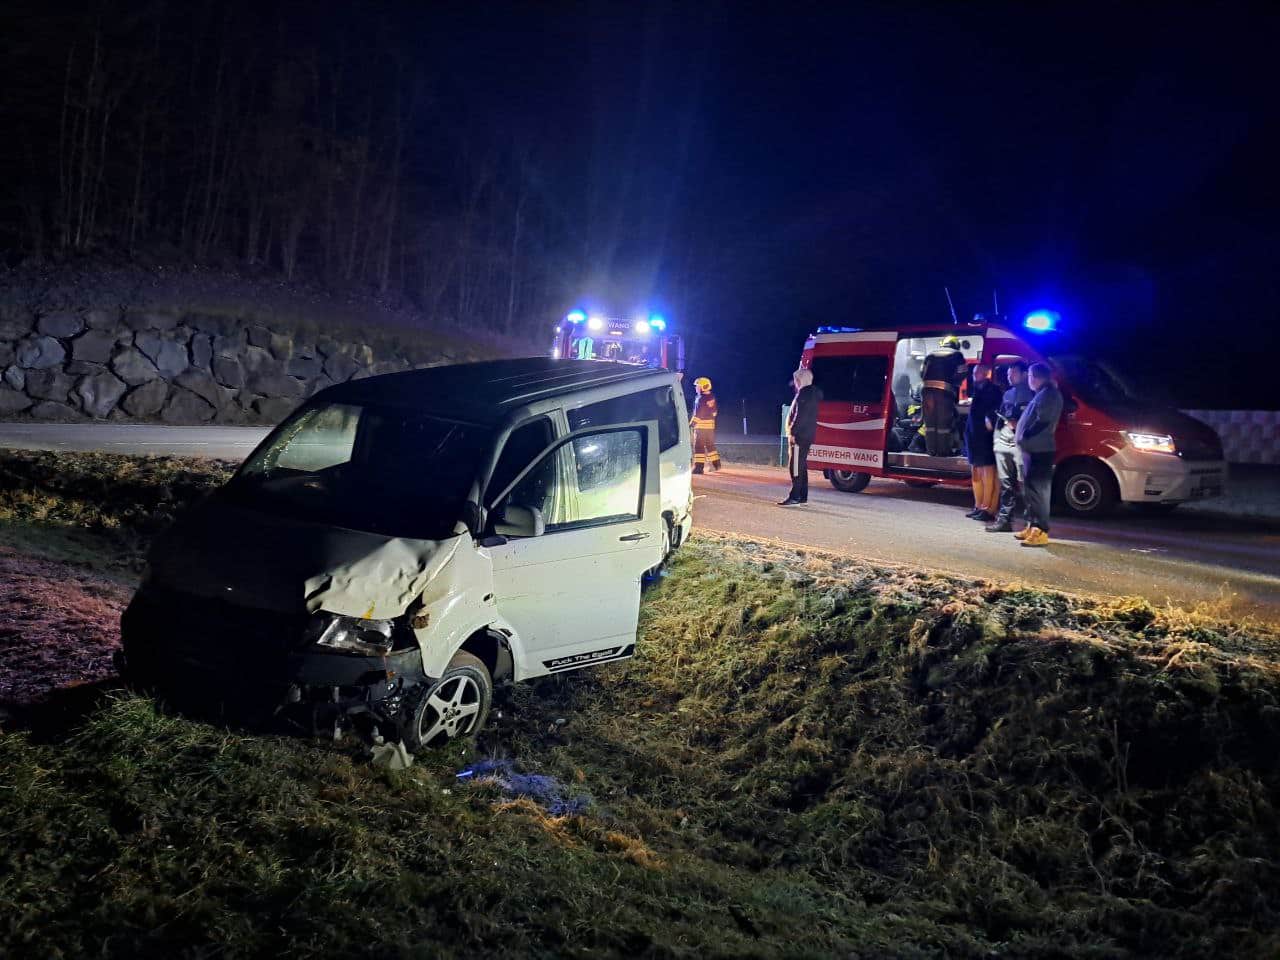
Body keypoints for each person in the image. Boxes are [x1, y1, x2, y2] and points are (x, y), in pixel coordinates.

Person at [1014, 362, 1063, 547]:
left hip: (1040, 450)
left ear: (1035, 377)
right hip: (1032, 449)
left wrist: (1026, 433)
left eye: (1029, 376)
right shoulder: (1042, 394)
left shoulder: (1049, 395)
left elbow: (1043, 420)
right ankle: (1032, 524)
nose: (1029, 380)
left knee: (1039, 491)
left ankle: (1040, 530)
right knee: (1030, 490)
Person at [985, 360, 1034, 533]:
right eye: (1008, 373)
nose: (1010, 376)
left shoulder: (1033, 395)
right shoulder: (1007, 394)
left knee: (1025, 485)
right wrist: (996, 437)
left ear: (1024, 374)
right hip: (1003, 443)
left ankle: (1031, 525)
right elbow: (1000, 416)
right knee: (1006, 485)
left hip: (1021, 445)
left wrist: (1020, 425)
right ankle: (1004, 521)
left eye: (1013, 373)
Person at [963, 364, 1002, 521]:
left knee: (988, 474)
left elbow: (995, 410)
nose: (975, 375)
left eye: (978, 372)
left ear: (987, 373)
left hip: (985, 439)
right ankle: (978, 506)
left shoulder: (992, 390)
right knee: (976, 473)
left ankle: (987, 508)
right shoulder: (978, 389)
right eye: (973, 372)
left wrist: (989, 418)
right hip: (974, 437)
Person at [779, 367, 822, 505]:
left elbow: (800, 416)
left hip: (799, 436)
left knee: (795, 466)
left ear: (800, 380)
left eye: (796, 380)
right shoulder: (812, 394)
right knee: (801, 465)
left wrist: (792, 432)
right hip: (806, 434)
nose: (795, 383)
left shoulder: (804, 394)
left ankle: (795, 496)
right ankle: (802, 496)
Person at [921, 334, 967, 455]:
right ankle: (943, 452)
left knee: (930, 424)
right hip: (944, 393)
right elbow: (962, 373)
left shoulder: (930, 354)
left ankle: (931, 451)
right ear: (955, 345)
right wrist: (954, 384)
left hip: (927, 392)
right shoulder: (957, 355)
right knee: (943, 424)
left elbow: (922, 373)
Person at [690, 376, 721, 474]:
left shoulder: (700, 398)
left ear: (703, 387)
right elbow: (714, 412)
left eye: (698, 386)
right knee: (710, 446)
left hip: (701, 427)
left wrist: (691, 424)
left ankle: (698, 468)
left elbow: (698, 413)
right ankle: (717, 464)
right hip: (710, 426)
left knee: (698, 447)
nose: (696, 388)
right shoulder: (711, 397)